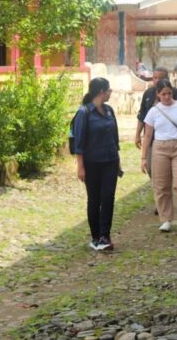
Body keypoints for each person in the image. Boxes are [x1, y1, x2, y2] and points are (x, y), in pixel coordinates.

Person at [141, 79, 177, 232]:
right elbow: (147, 136)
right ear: (158, 95)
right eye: (163, 94)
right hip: (160, 148)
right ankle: (166, 219)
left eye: (169, 93)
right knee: (161, 186)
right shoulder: (153, 111)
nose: (166, 97)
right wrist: (144, 158)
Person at [73, 77, 121, 251]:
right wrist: (80, 166)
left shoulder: (109, 111)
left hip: (110, 161)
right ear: (101, 91)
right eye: (109, 90)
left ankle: (105, 236)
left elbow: (114, 138)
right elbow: (79, 142)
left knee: (108, 198)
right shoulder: (84, 112)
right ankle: (95, 236)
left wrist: (118, 161)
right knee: (94, 199)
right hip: (92, 162)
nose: (110, 93)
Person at [135, 67, 177, 171]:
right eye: (155, 78)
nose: (157, 80)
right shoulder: (148, 93)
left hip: (172, 139)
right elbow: (142, 116)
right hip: (151, 138)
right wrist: (137, 135)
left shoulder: (176, 94)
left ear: (167, 78)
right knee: (150, 168)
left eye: (160, 78)